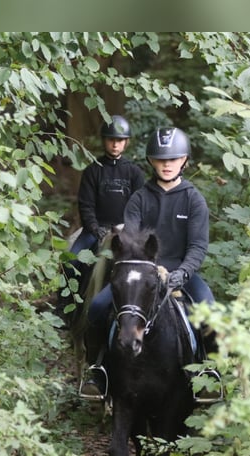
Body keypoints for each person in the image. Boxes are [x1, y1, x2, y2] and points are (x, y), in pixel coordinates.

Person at [79, 126, 220, 401]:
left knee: (211, 314)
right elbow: (130, 240)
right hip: (140, 273)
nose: (167, 165)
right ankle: (97, 371)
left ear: (184, 161)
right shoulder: (139, 199)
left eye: (173, 159)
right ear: (151, 162)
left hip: (182, 273)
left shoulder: (194, 200)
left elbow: (198, 246)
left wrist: (182, 273)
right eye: (161, 159)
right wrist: (142, 269)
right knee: (96, 308)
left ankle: (207, 374)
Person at [59, 115, 145, 321]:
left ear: (126, 142)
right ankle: (63, 310)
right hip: (95, 229)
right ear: (104, 140)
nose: (115, 144)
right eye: (111, 139)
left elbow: (140, 206)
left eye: (120, 140)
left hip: (125, 232)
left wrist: (129, 229)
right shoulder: (92, 171)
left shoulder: (134, 173)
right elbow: (86, 205)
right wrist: (95, 228)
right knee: (71, 262)